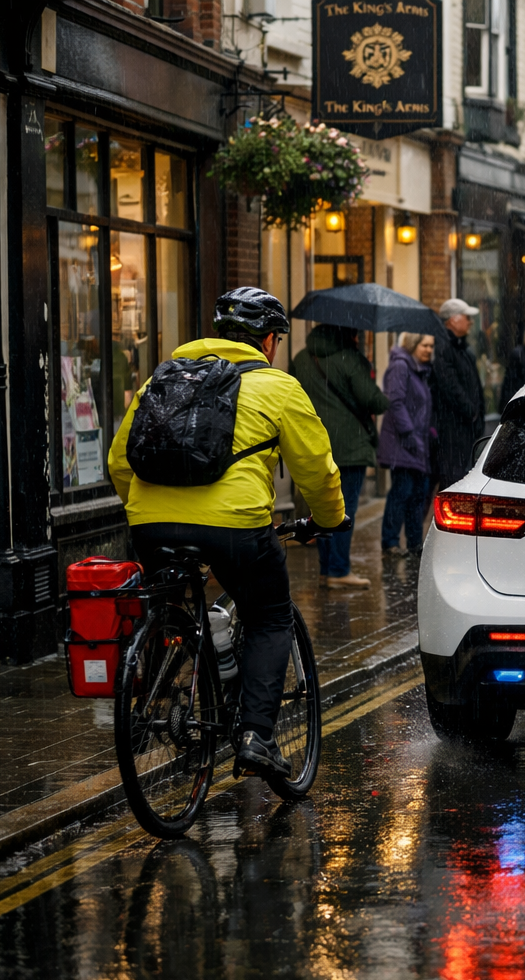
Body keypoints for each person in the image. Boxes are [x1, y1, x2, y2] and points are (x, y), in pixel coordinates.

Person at [108, 287, 349, 779]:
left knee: (167, 603)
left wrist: (149, 509)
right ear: (268, 341)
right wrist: (328, 520)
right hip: (236, 525)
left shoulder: (163, 377)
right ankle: (257, 736)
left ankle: (148, 702)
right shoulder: (277, 386)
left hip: (150, 522)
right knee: (269, 615)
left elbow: (119, 459)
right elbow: (317, 470)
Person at [291, 323, 390, 589]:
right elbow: (374, 401)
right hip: (349, 447)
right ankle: (338, 570)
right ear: (348, 334)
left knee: (323, 509)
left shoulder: (301, 358)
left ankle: (327, 569)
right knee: (344, 511)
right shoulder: (350, 358)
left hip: (314, 444)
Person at [376, 332, 434, 556]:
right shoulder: (401, 367)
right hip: (402, 443)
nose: (429, 350)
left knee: (418, 493)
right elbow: (396, 402)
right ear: (412, 345)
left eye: (431, 346)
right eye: (424, 345)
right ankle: (390, 542)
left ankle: (414, 543)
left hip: (417, 443)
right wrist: (409, 433)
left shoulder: (419, 370)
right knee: (402, 491)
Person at [431, 297, 487, 493]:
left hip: (462, 428)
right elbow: (450, 386)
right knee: (451, 482)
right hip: (452, 430)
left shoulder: (461, 347)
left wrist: (477, 414)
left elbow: (470, 385)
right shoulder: (445, 347)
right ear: (453, 320)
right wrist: (471, 412)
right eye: (466, 317)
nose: (470, 322)